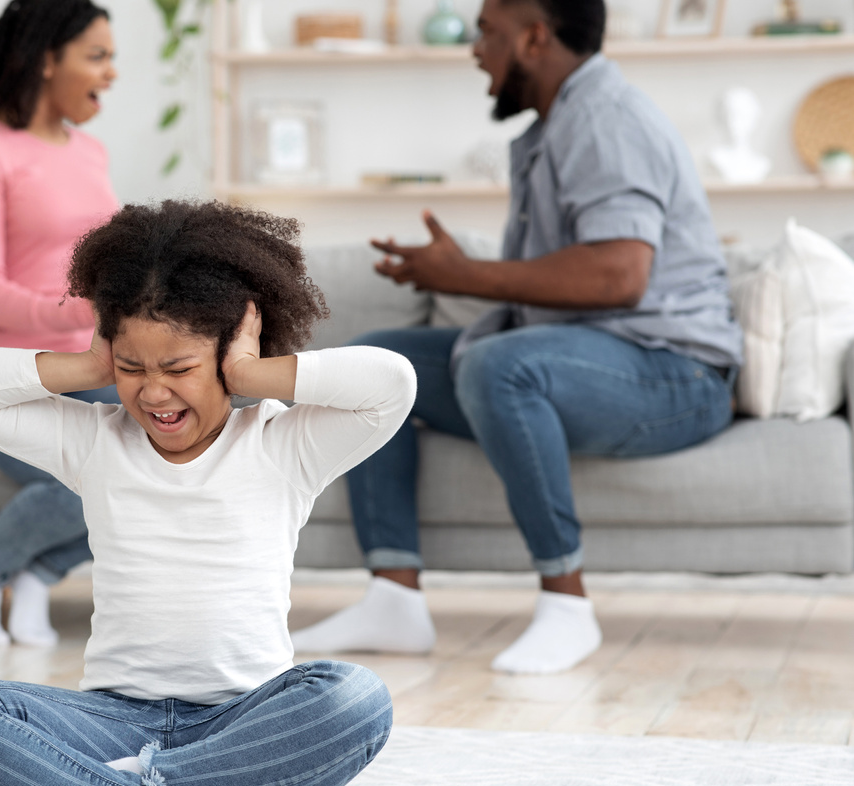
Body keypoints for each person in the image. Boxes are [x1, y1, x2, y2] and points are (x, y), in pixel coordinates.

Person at [0, 200, 413, 786]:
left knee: (356, 699)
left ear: (228, 354)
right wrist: (88, 367)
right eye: (130, 369)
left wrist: (251, 374)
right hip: (114, 718)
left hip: (246, 716)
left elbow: (392, 384)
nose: (153, 394)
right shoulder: (94, 441)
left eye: (178, 369)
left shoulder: (284, 445)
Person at [291, 0, 742, 674]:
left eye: (486, 33)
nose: (475, 50)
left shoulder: (605, 121)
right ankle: (393, 597)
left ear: (533, 37)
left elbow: (621, 274)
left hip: (674, 374)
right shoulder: (557, 125)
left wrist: (466, 274)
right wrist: (448, 273)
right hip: (593, 357)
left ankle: (567, 604)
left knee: (503, 367)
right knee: (376, 368)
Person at [0, 0, 119, 647]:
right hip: (3, 374)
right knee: (95, 477)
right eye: (97, 56)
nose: (112, 72)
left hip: (90, 364)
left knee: (162, 467)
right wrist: (75, 310)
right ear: (48, 60)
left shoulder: (90, 152)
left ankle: (41, 572)